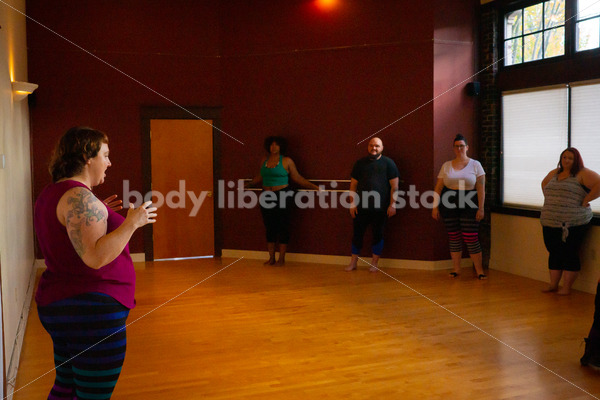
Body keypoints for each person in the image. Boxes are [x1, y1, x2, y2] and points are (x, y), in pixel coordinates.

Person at [34, 126, 157, 400]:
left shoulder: (56, 193)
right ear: (87, 157)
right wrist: (132, 223)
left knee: (66, 387)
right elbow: (95, 257)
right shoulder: (79, 197)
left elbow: (70, 238)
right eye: (105, 154)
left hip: (66, 306)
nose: (109, 162)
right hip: (90, 311)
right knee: (93, 394)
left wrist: (101, 214)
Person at [246, 136, 320, 265]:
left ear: (281, 147)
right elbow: (260, 176)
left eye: (276, 145)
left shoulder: (287, 161)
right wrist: (249, 184)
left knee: (283, 226)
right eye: (271, 145)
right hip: (266, 196)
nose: (273, 147)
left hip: (283, 195)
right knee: (269, 226)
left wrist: (315, 187)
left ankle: (281, 258)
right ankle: (271, 257)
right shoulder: (264, 160)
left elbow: (297, 178)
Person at [540, 147, 600, 295]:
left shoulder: (583, 174)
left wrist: (587, 199)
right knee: (553, 252)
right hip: (550, 221)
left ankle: (566, 287)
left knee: (570, 253)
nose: (566, 160)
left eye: (570, 158)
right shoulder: (555, 173)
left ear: (576, 160)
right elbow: (544, 185)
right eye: (564, 157)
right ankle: (553, 284)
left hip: (574, 223)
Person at [432, 134, 486, 279]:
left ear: (467, 147)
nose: (459, 148)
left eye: (462, 145)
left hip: (469, 201)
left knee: (471, 237)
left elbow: (481, 188)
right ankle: (456, 269)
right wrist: (435, 207)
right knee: (454, 236)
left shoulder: (476, 165)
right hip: (449, 202)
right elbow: (438, 187)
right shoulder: (446, 165)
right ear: (453, 148)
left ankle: (479, 271)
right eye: (456, 146)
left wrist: (481, 208)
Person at [345, 137, 399, 272]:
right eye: (371, 145)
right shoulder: (359, 163)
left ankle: (374, 264)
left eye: (376, 146)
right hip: (361, 207)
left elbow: (395, 187)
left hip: (380, 208)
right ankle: (353, 263)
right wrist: (352, 204)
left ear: (382, 147)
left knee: (378, 235)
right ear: (367, 147)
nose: (373, 148)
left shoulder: (389, 163)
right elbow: (353, 186)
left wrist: (393, 205)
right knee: (357, 235)